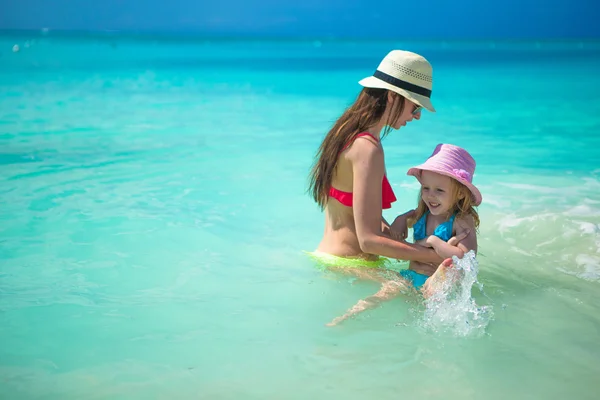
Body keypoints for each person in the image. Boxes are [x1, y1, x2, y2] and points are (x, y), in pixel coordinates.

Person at [307, 50, 467, 286]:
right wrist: (435, 255)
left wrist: (402, 225)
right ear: (392, 97)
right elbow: (368, 241)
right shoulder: (368, 148)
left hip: (334, 260)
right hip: (350, 265)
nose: (417, 116)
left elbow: (353, 210)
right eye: (415, 107)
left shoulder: (345, 133)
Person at [327, 143, 482, 326]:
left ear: (461, 194)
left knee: (431, 295)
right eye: (426, 188)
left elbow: (465, 257)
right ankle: (347, 318)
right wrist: (400, 220)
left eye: (439, 190)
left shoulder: (462, 220)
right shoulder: (424, 213)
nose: (430, 196)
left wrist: (433, 241)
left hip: (436, 281)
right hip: (410, 275)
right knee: (380, 293)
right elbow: (402, 225)